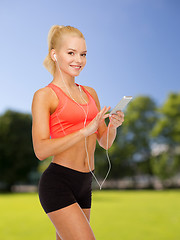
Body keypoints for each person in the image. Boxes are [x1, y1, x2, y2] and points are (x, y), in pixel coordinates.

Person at [31, 25, 124, 240]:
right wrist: (84, 131)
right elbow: (41, 149)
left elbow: (105, 142)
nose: (79, 60)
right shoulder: (45, 95)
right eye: (71, 53)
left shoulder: (90, 93)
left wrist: (113, 127)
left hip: (85, 183)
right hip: (58, 182)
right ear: (54, 54)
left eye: (83, 54)